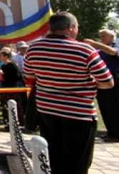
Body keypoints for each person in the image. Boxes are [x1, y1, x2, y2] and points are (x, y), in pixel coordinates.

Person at [24, 12, 114, 174]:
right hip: (78, 115)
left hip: (47, 111)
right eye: (77, 26)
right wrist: (87, 82)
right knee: (77, 163)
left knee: (53, 159)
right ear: (71, 28)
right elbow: (107, 82)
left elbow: (30, 78)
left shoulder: (33, 48)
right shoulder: (85, 50)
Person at [84, 29, 119, 142]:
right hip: (101, 80)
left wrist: (94, 43)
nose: (102, 38)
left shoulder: (115, 45)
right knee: (104, 107)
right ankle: (111, 132)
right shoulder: (100, 50)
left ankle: (116, 133)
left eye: (104, 36)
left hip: (114, 80)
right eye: (101, 36)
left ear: (112, 37)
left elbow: (113, 52)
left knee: (114, 107)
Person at [0, 48, 24, 124]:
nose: (0, 57)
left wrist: (4, 74)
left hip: (13, 87)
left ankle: (18, 121)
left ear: (6, 56)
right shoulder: (2, 66)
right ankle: (7, 120)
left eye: (1, 56)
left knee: (16, 105)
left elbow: (18, 76)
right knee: (5, 104)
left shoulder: (12, 65)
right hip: (5, 87)